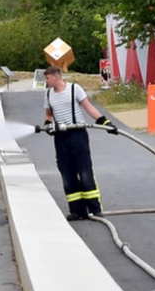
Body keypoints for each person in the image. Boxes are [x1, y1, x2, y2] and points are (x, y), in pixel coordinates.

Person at [43, 65, 117, 221]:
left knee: (84, 171)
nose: (46, 81)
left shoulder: (74, 89)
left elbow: (88, 107)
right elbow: (48, 115)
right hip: (61, 137)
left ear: (56, 77)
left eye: (47, 78)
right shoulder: (48, 94)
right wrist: (49, 125)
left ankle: (95, 209)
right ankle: (77, 210)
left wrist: (104, 122)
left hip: (77, 134)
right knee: (67, 173)